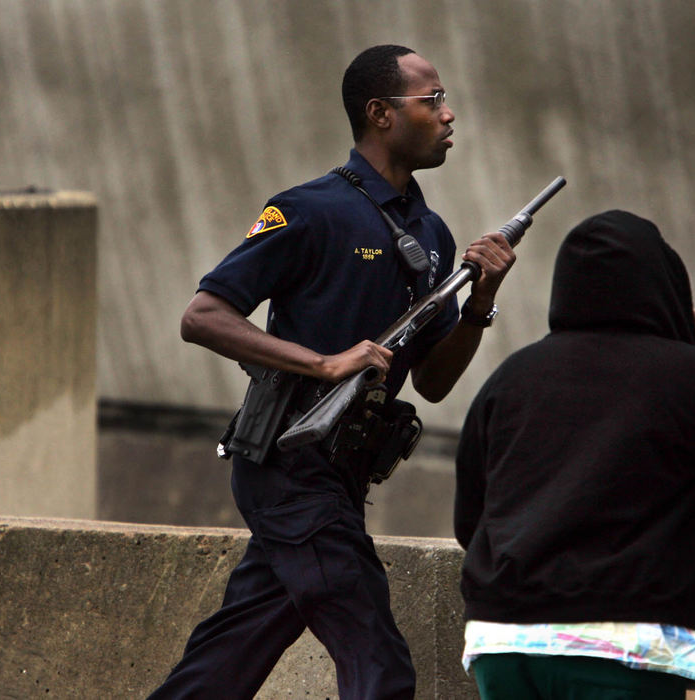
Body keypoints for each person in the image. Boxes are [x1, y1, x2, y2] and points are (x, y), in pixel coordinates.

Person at [149, 44, 517, 699]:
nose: (448, 114)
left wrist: (479, 304)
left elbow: (431, 381)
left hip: (343, 474)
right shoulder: (309, 210)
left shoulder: (430, 234)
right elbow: (202, 316)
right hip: (290, 464)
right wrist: (326, 362)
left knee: (230, 656)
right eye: (431, 101)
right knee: (376, 658)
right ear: (380, 113)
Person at [453, 210, 695, 699]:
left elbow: (472, 521)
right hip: (626, 645)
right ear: (666, 286)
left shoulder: (511, 379)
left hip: (504, 638)